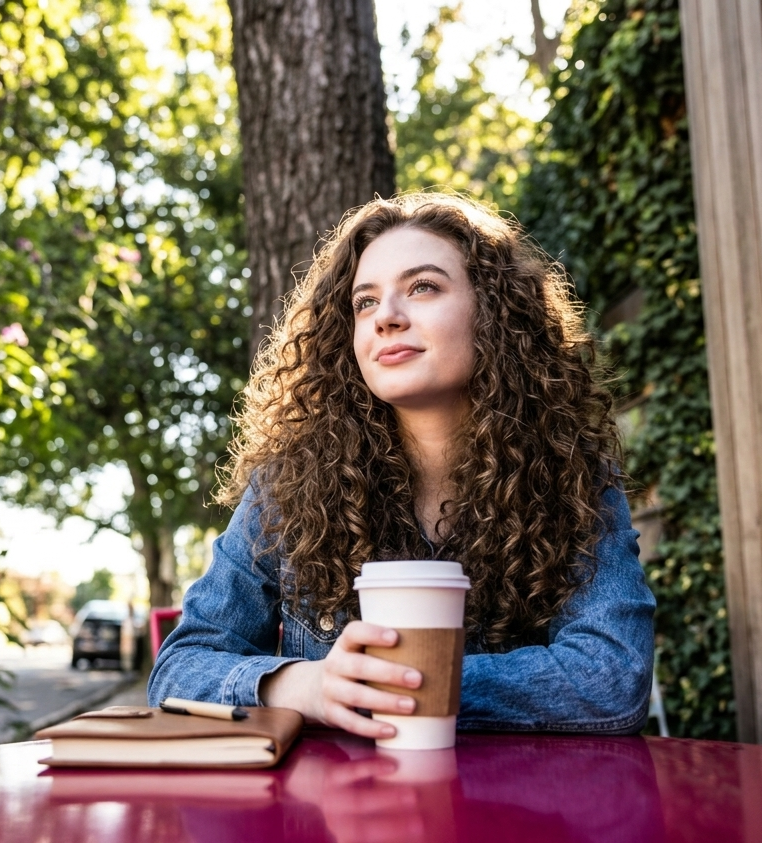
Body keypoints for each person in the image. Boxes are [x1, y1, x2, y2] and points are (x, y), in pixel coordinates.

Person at [149, 193, 656, 738]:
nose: (386, 318)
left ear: (494, 312)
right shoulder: (288, 485)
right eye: (364, 302)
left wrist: (408, 683)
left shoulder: (572, 475)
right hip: (341, 815)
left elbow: (612, 676)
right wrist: (306, 686)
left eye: (423, 287)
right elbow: (180, 667)